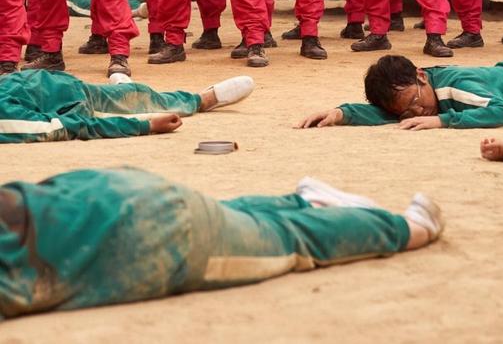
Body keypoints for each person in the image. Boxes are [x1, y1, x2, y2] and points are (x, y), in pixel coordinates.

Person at [0, 166, 442, 318]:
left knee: (290, 242)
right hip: (99, 189)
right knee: (227, 214)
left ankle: (410, 227)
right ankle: (304, 199)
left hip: (156, 238)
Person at [0, 71, 254, 143]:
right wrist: (145, 125)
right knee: (141, 101)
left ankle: (126, 86)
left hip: (60, 82)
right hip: (75, 106)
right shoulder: (7, 121)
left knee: (134, 93)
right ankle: (202, 100)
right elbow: (68, 126)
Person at [296, 55, 503, 130]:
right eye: (407, 112)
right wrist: (340, 114)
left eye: (414, 102)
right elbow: (386, 114)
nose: (418, 112)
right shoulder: (411, 96)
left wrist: (443, 120)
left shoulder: (455, 87)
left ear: (421, 76)